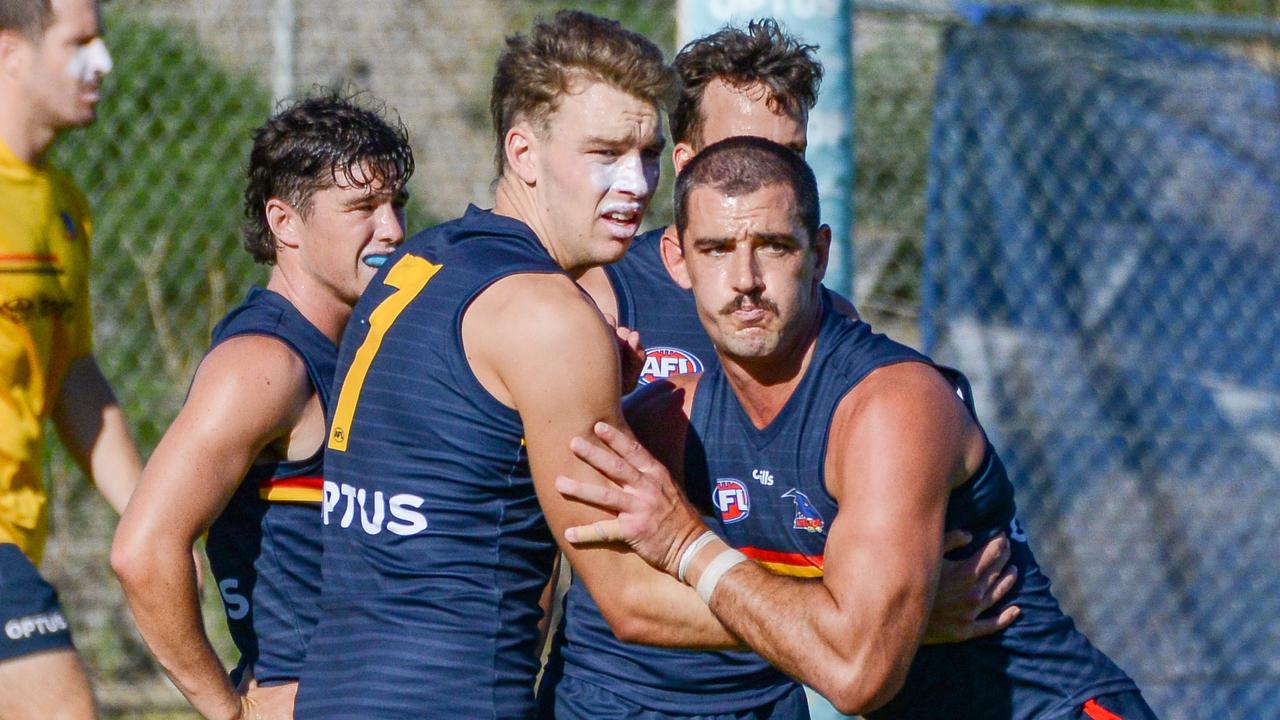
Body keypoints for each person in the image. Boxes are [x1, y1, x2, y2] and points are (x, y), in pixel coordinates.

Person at [556, 137, 1158, 720]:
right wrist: (599, 391)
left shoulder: (890, 407)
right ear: (677, 261)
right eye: (715, 249)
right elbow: (626, 601)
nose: (745, 280)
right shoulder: (674, 419)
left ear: (819, 254)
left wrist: (688, 545)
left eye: (772, 246)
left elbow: (857, 675)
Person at [543, 20, 1019, 720]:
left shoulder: (830, 328)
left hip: (767, 694)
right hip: (623, 694)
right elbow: (563, 534)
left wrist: (892, 617)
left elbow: (845, 558)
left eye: (792, 153)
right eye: (746, 151)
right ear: (686, 159)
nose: (771, 175)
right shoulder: (598, 300)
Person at [292, 11, 672, 718]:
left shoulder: (419, 262)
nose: (637, 181)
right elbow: (628, 601)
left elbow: (460, 477)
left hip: (337, 693)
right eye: (605, 152)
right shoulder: (548, 315)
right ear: (523, 153)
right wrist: (831, 612)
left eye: (650, 153)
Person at [110, 94, 413, 720]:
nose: (392, 230)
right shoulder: (266, 364)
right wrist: (232, 713)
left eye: (395, 205)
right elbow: (143, 551)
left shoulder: (363, 342)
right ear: (285, 223)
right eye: (363, 208)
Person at [0, 1, 141, 717]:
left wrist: (152, 518)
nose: (102, 63)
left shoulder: (63, 205)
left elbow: (72, 374)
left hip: (18, 537)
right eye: (78, 43)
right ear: (10, 53)